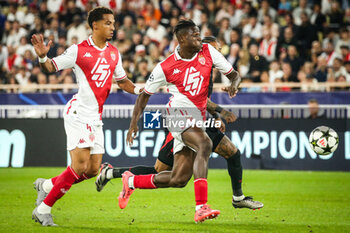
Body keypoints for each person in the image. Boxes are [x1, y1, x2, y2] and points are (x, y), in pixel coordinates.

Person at [96, 37, 263, 211]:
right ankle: (116, 174)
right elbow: (199, 99)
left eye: (219, 50)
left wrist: (217, 117)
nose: (218, 53)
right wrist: (221, 112)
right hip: (181, 121)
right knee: (163, 172)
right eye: (215, 49)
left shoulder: (208, 71)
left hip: (198, 122)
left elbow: (204, 101)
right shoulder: (189, 65)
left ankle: (237, 197)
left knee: (230, 154)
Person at [31, 7, 142, 226]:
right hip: (78, 113)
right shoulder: (78, 50)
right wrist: (43, 55)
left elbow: (122, 81)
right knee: (79, 166)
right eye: (108, 23)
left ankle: (46, 186)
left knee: (92, 170)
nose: (113, 27)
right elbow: (50, 67)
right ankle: (43, 210)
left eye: (113, 23)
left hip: (95, 118)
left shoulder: (114, 53)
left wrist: (140, 90)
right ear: (95, 26)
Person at [120, 20, 241, 223]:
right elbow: (144, 96)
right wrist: (134, 123)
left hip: (198, 117)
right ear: (182, 38)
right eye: (194, 34)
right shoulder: (165, 67)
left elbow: (234, 74)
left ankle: (131, 181)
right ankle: (201, 207)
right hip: (177, 113)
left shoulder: (208, 52)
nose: (199, 37)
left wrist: (234, 85)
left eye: (199, 33)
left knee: (179, 179)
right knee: (205, 143)